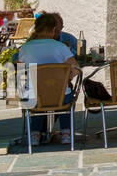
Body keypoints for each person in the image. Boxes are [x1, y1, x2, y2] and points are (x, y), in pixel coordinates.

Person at [16, 12, 79, 145]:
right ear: (54, 29)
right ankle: (66, 133)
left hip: (34, 96)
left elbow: (20, 71)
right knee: (67, 96)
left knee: (35, 96)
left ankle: (35, 134)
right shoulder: (61, 47)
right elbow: (75, 69)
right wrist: (65, 79)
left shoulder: (25, 48)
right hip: (59, 94)